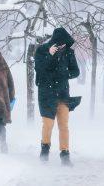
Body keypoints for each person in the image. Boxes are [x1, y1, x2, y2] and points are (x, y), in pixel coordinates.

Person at [35, 27, 80, 166]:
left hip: (62, 94)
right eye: (61, 44)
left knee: (63, 125)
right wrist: (49, 55)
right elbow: (40, 70)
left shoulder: (68, 53)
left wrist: (64, 73)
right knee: (48, 124)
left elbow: (76, 72)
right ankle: (45, 149)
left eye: (65, 44)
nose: (63, 46)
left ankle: (65, 155)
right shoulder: (41, 50)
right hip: (47, 94)